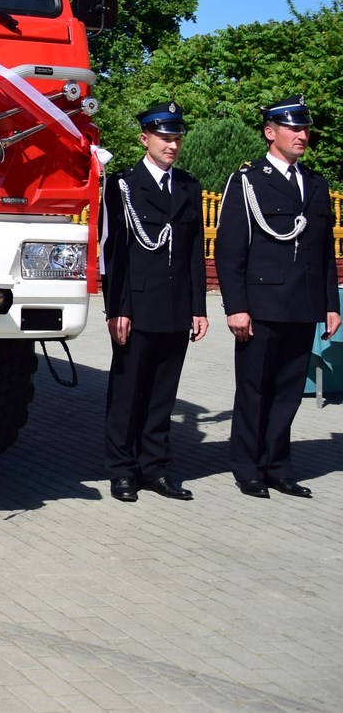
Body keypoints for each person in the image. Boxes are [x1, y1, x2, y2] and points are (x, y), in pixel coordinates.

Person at [215, 95, 341, 498]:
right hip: (262, 304)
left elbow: (323, 253)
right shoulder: (249, 180)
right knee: (255, 389)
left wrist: (330, 304)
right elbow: (231, 249)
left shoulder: (317, 184)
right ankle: (248, 468)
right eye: (293, 128)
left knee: (288, 391)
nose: (302, 135)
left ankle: (278, 466)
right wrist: (236, 306)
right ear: (271, 133)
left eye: (305, 129)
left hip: (303, 305)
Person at [98, 102, 207, 502]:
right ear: (145, 138)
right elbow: (113, 253)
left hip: (177, 305)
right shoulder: (123, 185)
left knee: (163, 392)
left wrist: (198, 307)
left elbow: (194, 251)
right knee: (128, 391)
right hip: (137, 306)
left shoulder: (188, 187)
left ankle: (155, 468)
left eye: (177, 137)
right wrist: (117, 308)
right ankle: (122, 470)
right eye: (164, 137)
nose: (172, 145)